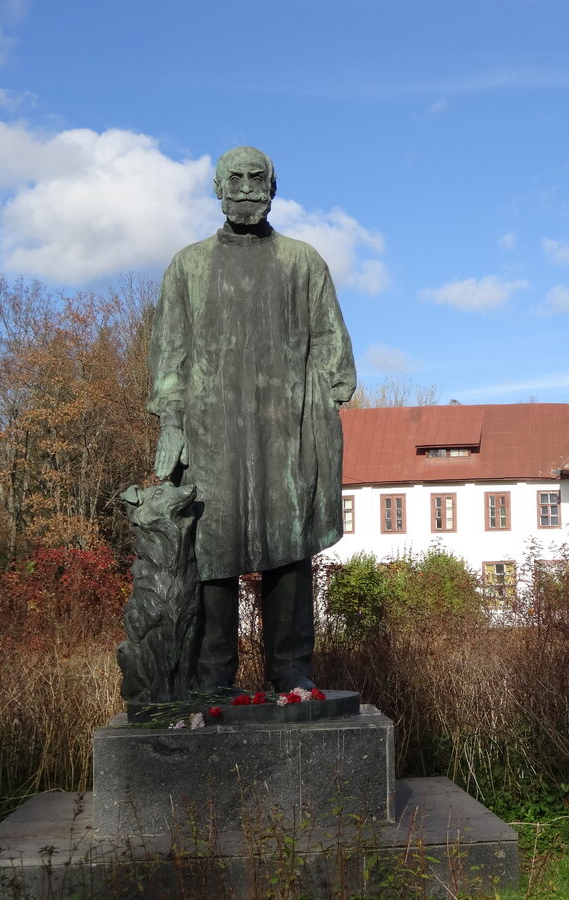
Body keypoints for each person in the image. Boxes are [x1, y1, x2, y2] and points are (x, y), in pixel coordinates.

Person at [147, 146, 356, 693]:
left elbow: (331, 345)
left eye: (255, 177)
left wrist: (321, 418)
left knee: (288, 550)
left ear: (272, 186)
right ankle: (213, 678)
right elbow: (169, 358)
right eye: (234, 178)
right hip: (211, 434)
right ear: (217, 188)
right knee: (212, 551)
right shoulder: (187, 265)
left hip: (285, 433)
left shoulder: (302, 261)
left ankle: (291, 673)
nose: (245, 186)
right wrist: (172, 420)